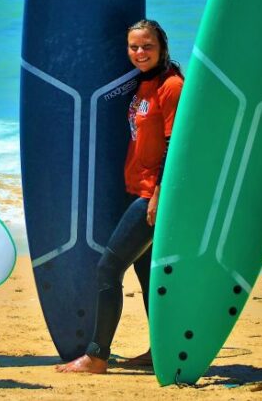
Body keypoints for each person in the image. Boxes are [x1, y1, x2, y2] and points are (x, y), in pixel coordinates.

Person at [57, 19, 184, 374]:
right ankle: (161, 351)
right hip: (136, 189)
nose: (140, 52)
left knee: (109, 268)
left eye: (147, 46)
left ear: (162, 47)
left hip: (150, 195)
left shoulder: (171, 86)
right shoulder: (143, 84)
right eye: (134, 47)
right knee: (147, 276)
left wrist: (158, 194)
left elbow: (176, 145)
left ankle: (97, 356)